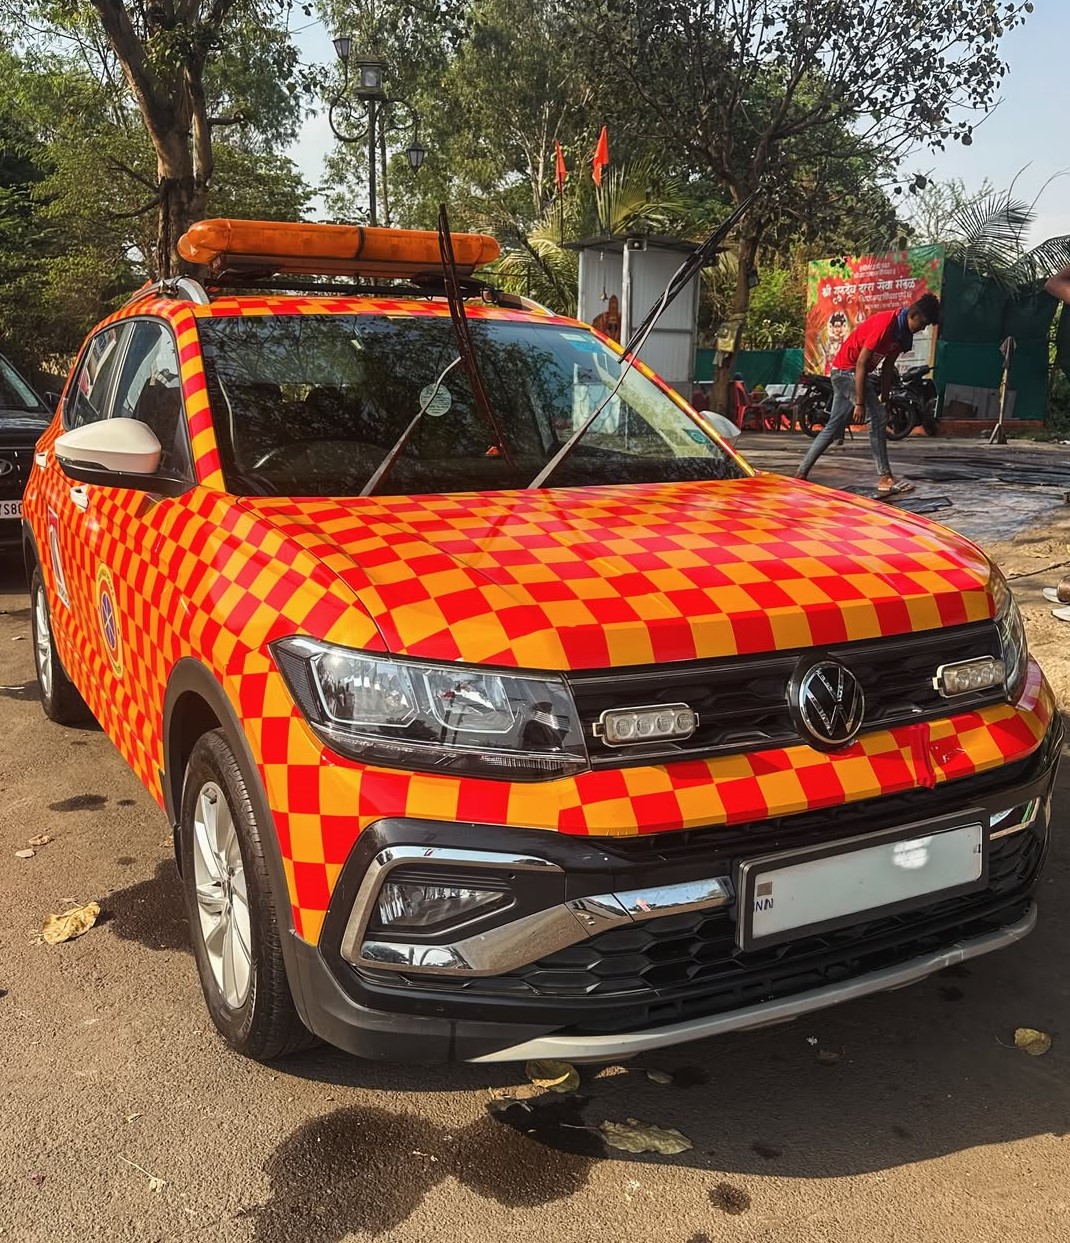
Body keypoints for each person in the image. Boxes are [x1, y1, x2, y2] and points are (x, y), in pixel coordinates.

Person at [795, 293, 942, 496]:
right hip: (846, 373)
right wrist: (860, 403)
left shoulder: (903, 335)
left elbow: (888, 365)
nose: (922, 329)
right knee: (878, 418)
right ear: (914, 314)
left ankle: (801, 473)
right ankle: (884, 477)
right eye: (922, 323)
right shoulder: (885, 324)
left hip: (850, 373)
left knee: (834, 426)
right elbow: (862, 364)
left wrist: (886, 394)